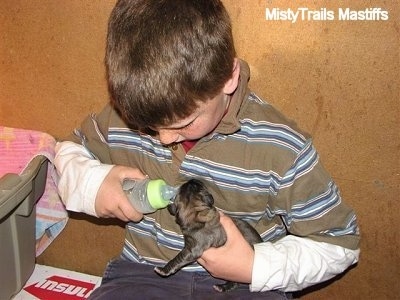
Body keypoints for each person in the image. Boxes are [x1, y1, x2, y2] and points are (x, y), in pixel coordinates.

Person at [54, 0, 360, 299]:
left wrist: (255, 266)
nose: (161, 138)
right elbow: (66, 151)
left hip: (246, 285)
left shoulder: (282, 147)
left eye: (183, 122)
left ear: (229, 77)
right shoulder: (121, 118)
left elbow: (340, 244)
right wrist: (94, 184)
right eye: (146, 124)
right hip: (144, 275)